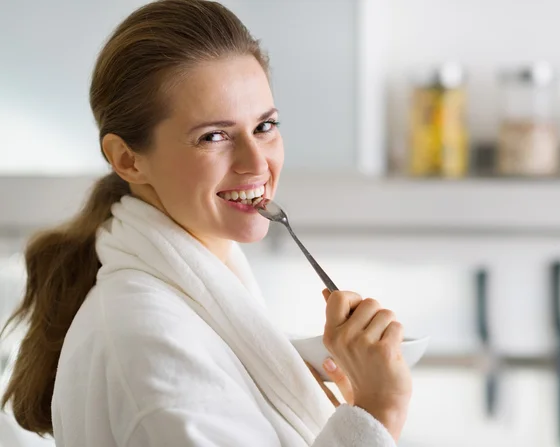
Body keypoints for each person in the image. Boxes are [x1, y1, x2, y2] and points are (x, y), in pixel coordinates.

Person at [1, 1, 412, 446]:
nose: (257, 163)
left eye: (265, 126)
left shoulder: (196, 306)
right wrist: (377, 412)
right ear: (127, 159)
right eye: (213, 136)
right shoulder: (150, 347)